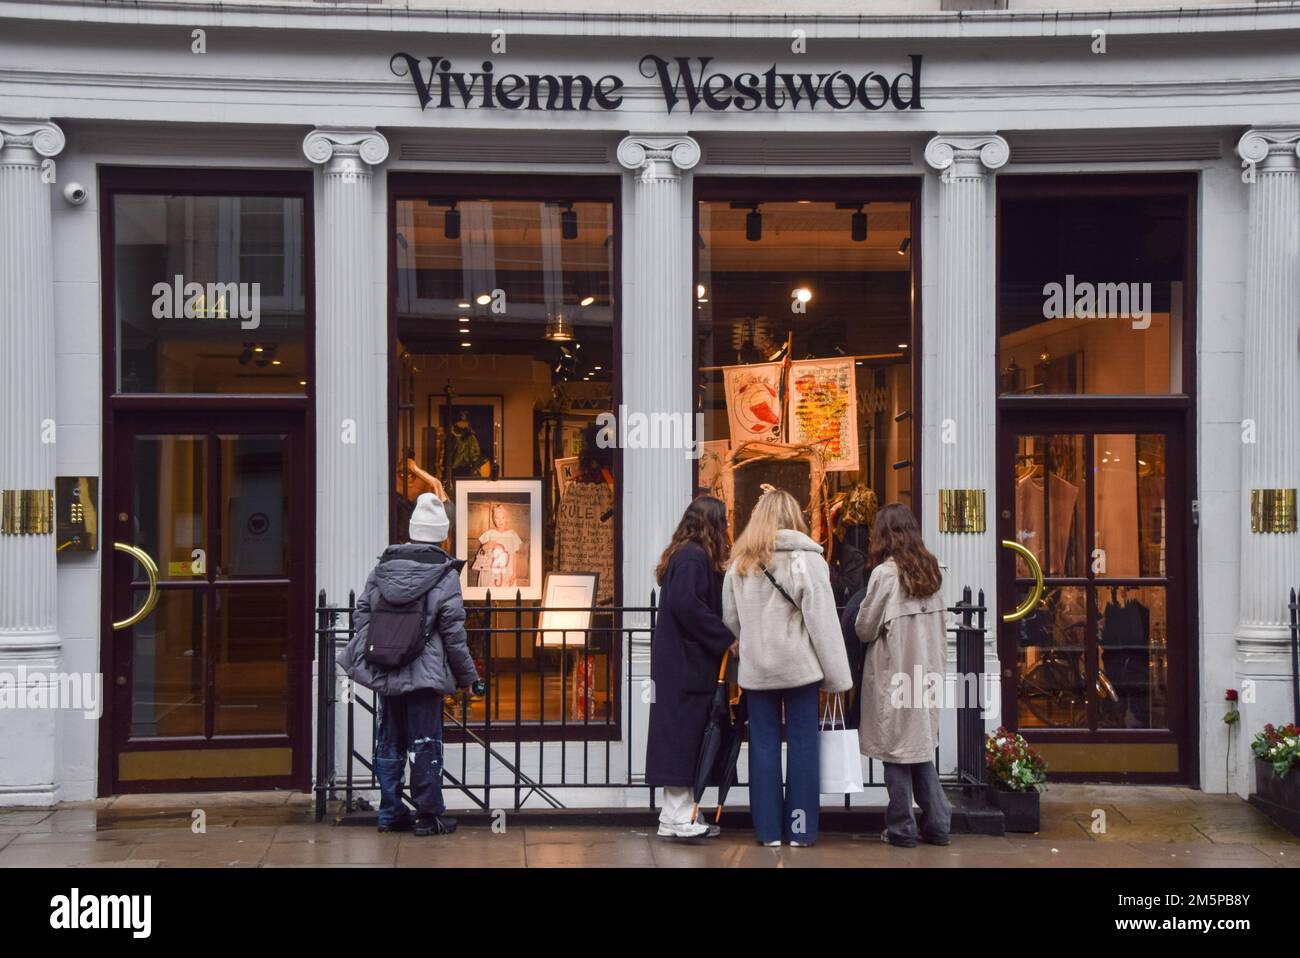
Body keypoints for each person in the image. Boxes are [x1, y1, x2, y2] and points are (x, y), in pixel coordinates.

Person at [338, 492, 480, 836]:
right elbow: (453, 634)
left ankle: (389, 812)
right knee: (425, 743)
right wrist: (469, 677)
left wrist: (386, 646)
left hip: (387, 670)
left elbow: (362, 615)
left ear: (413, 531)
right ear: (442, 535)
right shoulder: (445, 576)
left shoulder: (382, 568)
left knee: (389, 741)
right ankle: (428, 816)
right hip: (425, 674)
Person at [722, 486, 852, 848]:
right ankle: (801, 830)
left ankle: (767, 832)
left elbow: (731, 622)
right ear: (796, 517)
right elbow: (823, 622)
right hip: (800, 669)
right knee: (803, 747)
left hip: (757, 670)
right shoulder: (807, 560)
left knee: (762, 748)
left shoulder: (740, 563)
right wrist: (838, 677)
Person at [854, 503, 952, 848]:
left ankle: (902, 828)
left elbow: (865, 628)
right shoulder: (935, 571)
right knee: (919, 747)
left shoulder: (885, 575)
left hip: (894, 675)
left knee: (896, 751)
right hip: (926, 676)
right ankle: (938, 823)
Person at [645, 496, 735, 841]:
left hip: (681, 665)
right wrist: (724, 638)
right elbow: (688, 605)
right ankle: (679, 817)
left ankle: (675, 815)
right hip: (687, 666)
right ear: (712, 524)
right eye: (723, 521)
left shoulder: (685, 556)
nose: (727, 527)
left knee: (681, 739)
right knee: (684, 739)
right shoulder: (694, 558)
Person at [474, 502, 522, 590]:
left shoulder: (512, 535)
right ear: (493, 519)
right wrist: (486, 546)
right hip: (491, 571)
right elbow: (481, 552)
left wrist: (514, 573)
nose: (500, 521)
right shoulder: (489, 534)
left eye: (502, 517)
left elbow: (514, 556)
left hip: (506, 570)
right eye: (497, 518)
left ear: (506, 518)